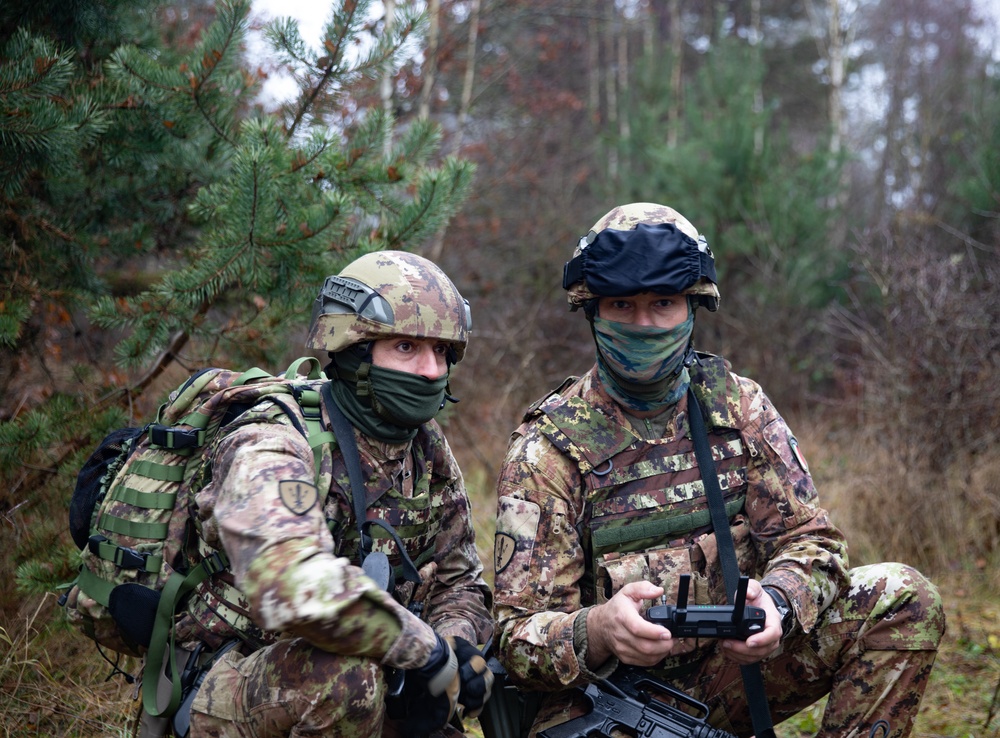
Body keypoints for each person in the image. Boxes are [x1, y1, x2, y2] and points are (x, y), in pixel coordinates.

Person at [491, 203, 945, 738]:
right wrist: (599, 631)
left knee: (901, 597)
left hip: (732, 673)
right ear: (592, 311)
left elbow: (813, 541)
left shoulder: (737, 409)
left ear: (693, 307)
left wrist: (779, 604)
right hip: (607, 703)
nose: (644, 324)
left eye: (663, 303)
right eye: (622, 305)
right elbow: (516, 636)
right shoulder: (549, 450)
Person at [186, 250, 494, 737]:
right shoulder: (275, 436)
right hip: (229, 681)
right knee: (348, 680)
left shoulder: (425, 447)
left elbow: (460, 582)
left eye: (442, 351)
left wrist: (454, 648)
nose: (432, 371)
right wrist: (424, 649)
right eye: (407, 347)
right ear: (353, 350)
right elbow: (290, 584)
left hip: (365, 679)